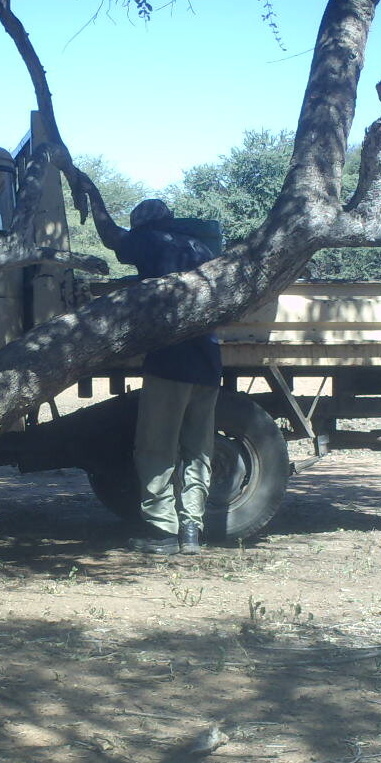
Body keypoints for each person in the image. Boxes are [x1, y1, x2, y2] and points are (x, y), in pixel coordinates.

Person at [88, 197, 221, 555]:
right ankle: (192, 530)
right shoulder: (200, 246)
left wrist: (90, 195)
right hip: (209, 360)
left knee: (156, 448)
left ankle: (163, 532)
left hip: (171, 360)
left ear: (143, 224)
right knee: (198, 449)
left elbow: (112, 238)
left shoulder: (152, 239)